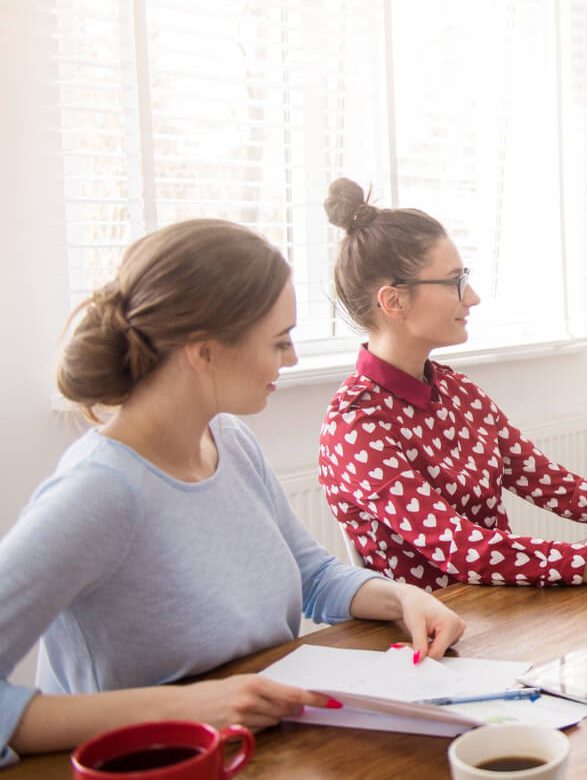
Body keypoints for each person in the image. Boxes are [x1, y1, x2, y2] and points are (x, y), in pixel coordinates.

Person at [0, 220, 465, 767]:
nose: (290, 359)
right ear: (203, 353)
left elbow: (311, 574)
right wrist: (183, 706)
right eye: (278, 341)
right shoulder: (99, 490)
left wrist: (404, 597)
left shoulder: (229, 440)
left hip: (256, 749)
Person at [319, 179, 587, 590]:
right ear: (394, 301)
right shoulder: (356, 424)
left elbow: (558, 488)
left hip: (504, 610)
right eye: (455, 282)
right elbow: (464, 550)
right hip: (433, 635)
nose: (474, 297)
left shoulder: (458, 392)